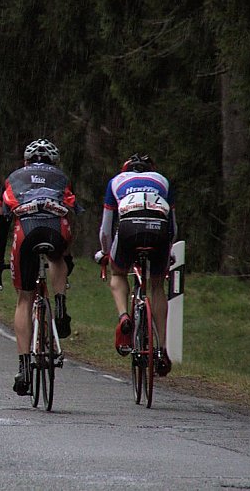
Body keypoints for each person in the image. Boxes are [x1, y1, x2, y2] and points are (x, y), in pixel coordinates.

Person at [0, 138, 80, 396]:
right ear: (54, 161)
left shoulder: (13, 178)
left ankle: (24, 369)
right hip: (55, 229)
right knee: (58, 259)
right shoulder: (61, 177)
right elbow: (69, 211)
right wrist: (68, 256)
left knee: (24, 299)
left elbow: (2, 226)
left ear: (26, 161)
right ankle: (60, 306)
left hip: (26, 231)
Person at [98, 153, 176, 376]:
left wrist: (105, 253)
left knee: (118, 274)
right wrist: (168, 250)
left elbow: (106, 229)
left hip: (129, 228)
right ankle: (162, 349)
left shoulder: (116, 182)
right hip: (158, 228)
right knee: (158, 285)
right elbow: (173, 227)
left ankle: (124, 316)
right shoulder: (163, 181)